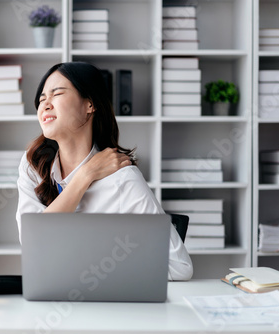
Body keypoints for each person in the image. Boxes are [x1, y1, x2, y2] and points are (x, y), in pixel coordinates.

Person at [16, 61, 193, 281]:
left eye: (57, 94)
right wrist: (85, 176)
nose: (45, 104)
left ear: (89, 104)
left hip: (108, 308)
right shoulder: (33, 165)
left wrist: (103, 272)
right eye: (42, 99)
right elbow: (33, 242)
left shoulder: (123, 178)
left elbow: (180, 267)